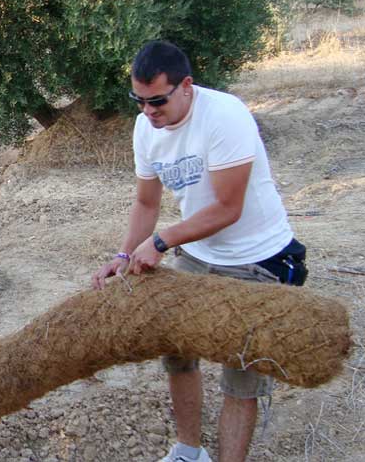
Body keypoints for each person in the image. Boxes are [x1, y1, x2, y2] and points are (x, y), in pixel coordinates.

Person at [91, 41, 308, 462]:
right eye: (139, 101)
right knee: (176, 352)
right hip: (198, 254)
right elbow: (146, 203)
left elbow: (228, 208)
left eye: (157, 101)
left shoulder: (224, 116)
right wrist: (122, 255)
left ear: (186, 86)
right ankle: (189, 452)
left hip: (256, 260)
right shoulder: (146, 128)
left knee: (239, 375)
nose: (148, 112)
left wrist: (160, 243)